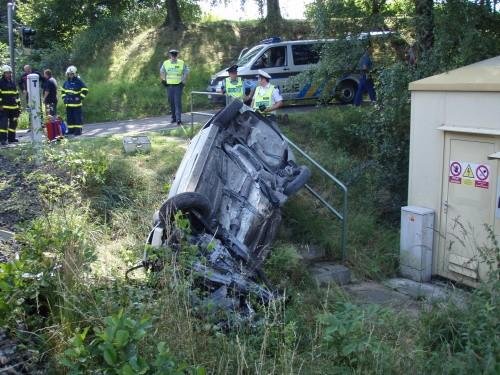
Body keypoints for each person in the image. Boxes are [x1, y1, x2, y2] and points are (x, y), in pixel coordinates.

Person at [160, 49, 189, 125]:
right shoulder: (166, 63)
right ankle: (174, 118)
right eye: (172, 55)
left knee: (177, 103)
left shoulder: (181, 63)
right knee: (171, 102)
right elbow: (162, 71)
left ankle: (178, 119)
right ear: (170, 55)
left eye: (175, 55)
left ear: (177, 55)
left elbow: (186, 71)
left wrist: (183, 81)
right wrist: (163, 80)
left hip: (178, 86)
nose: (174, 57)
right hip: (169, 86)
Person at [61, 65, 88, 136]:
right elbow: (63, 91)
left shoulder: (79, 81)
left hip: (76, 105)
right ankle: (71, 130)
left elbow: (85, 90)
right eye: (69, 74)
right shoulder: (66, 82)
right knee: (70, 118)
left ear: (75, 74)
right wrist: (64, 98)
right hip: (68, 104)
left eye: (71, 74)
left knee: (77, 118)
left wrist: (80, 98)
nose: (70, 75)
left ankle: (78, 131)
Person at [0, 65, 21, 145]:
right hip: (4, 108)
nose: (9, 74)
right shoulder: (1, 82)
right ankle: (3, 140)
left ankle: (11, 139)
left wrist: (19, 106)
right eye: (7, 73)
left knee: (14, 123)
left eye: (10, 73)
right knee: (3, 124)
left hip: (14, 108)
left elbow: (17, 95)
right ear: (4, 73)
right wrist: (0, 105)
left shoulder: (12, 83)